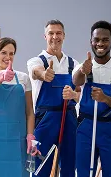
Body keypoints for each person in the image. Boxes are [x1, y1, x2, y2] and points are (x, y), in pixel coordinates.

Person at [73, 20, 111, 177]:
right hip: (85, 129)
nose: (100, 43)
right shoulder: (84, 67)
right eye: (96, 39)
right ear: (91, 42)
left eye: (105, 39)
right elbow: (76, 82)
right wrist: (82, 70)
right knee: (83, 173)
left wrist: (106, 99)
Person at [0, 37, 39, 177]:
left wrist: (30, 135)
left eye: (11, 54)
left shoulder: (23, 78)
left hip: (18, 138)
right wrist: (1, 77)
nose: (8, 57)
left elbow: (29, 111)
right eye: (3, 53)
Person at [27, 19, 80, 177]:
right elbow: (36, 72)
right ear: (45, 36)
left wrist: (73, 95)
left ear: (64, 36)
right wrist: (44, 74)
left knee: (70, 165)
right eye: (51, 33)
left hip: (69, 119)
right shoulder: (36, 61)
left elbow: (79, 95)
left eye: (58, 33)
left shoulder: (73, 64)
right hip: (45, 121)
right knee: (42, 165)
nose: (55, 37)